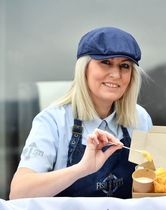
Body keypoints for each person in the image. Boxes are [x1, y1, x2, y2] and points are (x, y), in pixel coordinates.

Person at [9, 27, 152, 199]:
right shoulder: (53, 121)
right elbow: (19, 193)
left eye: (124, 66)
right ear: (84, 69)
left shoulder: (140, 118)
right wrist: (82, 169)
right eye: (106, 62)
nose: (116, 74)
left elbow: (151, 184)